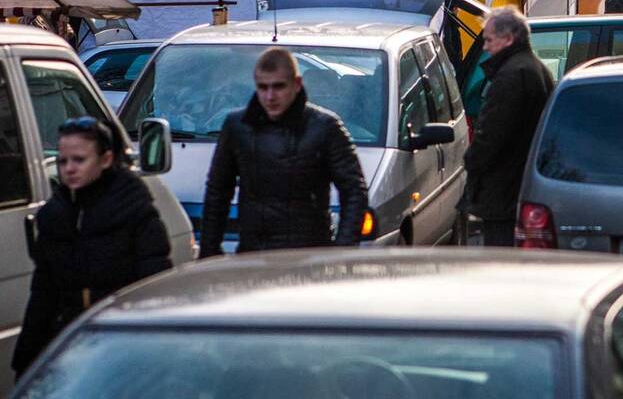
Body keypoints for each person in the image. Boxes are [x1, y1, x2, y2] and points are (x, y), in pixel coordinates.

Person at [12, 118, 172, 376]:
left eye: (79, 160)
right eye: (63, 161)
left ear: (105, 160)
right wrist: (26, 361)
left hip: (120, 340)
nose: (69, 169)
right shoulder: (56, 215)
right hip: (71, 339)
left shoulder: (134, 209)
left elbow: (153, 284)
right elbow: (44, 292)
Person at [199, 47, 368, 257]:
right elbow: (217, 191)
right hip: (254, 254)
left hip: (308, 255)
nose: (270, 96)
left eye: (278, 87)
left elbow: (354, 191)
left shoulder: (325, 127)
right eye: (263, 87)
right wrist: (209, 251)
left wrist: (341, 253)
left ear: (296, 84)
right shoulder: (237, 126)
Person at [462, 7, 554, 246]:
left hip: (505, 186)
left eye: (489, 40)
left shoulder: (511, 75)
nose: (485, 47)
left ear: (509, 39)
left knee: (501, 257)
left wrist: (471, 160)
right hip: (517, 180)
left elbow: (492, 134)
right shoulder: (530, 67)